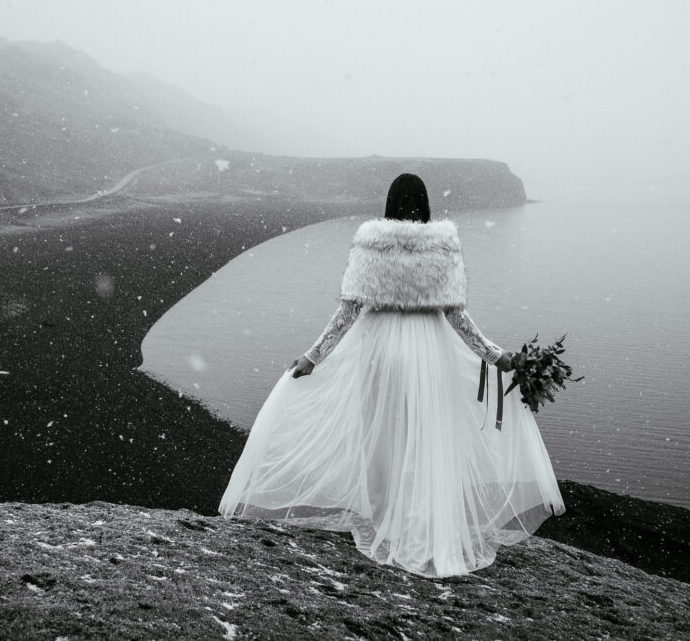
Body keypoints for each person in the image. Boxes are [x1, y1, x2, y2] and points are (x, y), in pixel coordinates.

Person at [219, 173, 564, 577]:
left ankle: (389, 523)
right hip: (429, 353)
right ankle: (421, 528)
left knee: (382, 438)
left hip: (381, 352)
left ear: (390, 202)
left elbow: (348, 310)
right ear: (425, 202)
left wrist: (313, 355)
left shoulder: (372, 239)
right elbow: (455, 314)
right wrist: (496, 355)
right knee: (425, 439)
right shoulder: (443, 242)